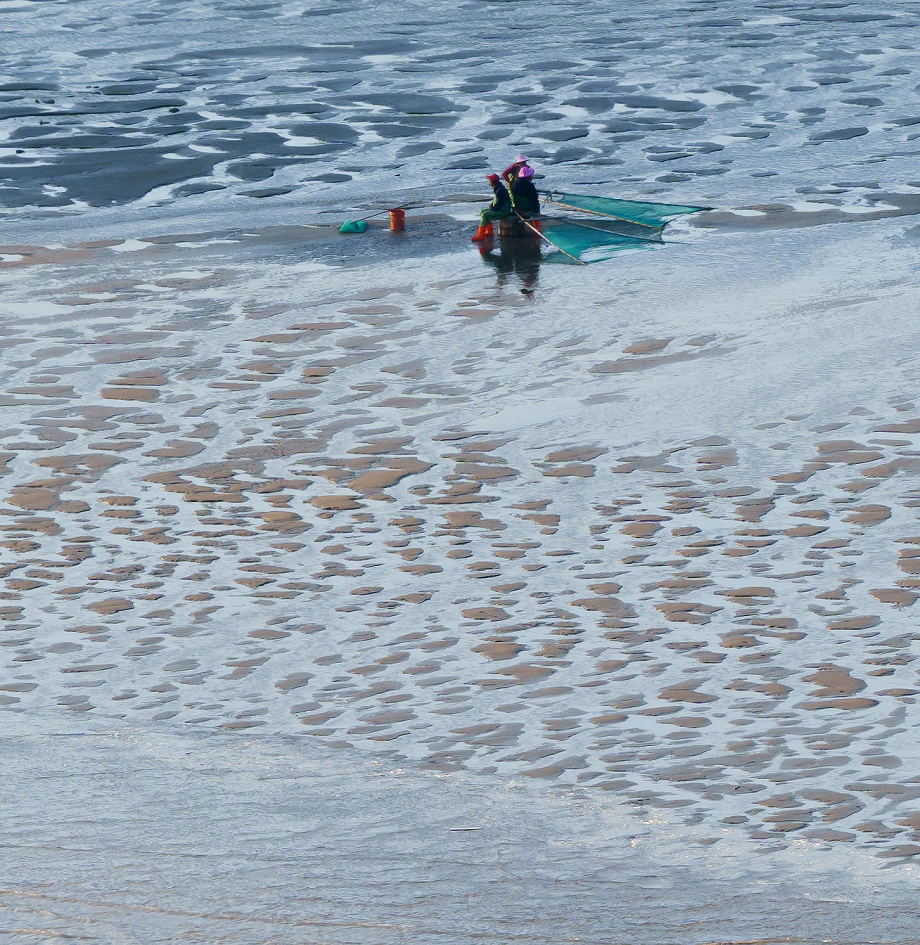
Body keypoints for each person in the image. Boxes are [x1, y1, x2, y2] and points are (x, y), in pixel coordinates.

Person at [471, 173, 511, 241]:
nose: (489, 181)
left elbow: (499, 204)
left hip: (503, 212)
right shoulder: (498, 187)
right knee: (482, 211)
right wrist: (492, 204)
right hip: (500, 209)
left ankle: (480, 235)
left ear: (492, 182)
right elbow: (498, 201)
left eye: (489, 180)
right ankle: (489, 232)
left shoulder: (500, 190)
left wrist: (492, 209)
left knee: (485, 215)